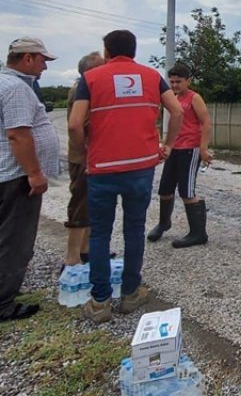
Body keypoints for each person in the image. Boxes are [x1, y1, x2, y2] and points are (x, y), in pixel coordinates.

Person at [69, 30, 183, 324]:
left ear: (106, 52)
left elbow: (73, 124)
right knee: (134, 230)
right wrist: (167, 146)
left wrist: (82, 154)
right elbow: (176, 112)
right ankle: (131, 294)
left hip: (103, 169)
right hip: (140, 167)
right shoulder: (151, 76)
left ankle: (100, 301)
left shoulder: (91, 79)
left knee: (101, 232)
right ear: (133, 50)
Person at [0, 36, 60, 327]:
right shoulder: (15, 89)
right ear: (28, 58)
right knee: (12, 243)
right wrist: (34, 173)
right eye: (43, 60)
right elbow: (18, 134)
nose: (45, 66)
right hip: (14, 177)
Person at [148, 62, 212, 248]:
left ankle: (198, 233)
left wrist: (204, 148)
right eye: (172, 81)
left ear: (188, 81)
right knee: (165, 189)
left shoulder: (194, 98)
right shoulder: (172, 97)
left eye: (179, 81)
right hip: (174, 147)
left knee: (187, 190)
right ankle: (163, 223)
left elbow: (206, 123)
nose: (175, 85)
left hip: (190, 149)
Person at [64, 51, 106, 267]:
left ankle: (86, 250)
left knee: (91, 205)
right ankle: (72, 258)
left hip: (90, 157)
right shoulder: (81, 91)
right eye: (102, 66)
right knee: (80, 204)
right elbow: (81, 126)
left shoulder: (87, 88)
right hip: (84, 158)